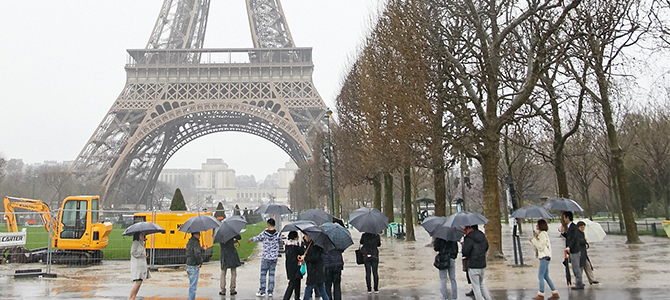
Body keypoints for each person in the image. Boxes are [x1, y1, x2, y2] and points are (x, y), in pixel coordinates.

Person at [248, 218, 282, 297]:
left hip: (266, 257)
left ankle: (262, 291)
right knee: (272, 275)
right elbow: (280, 241)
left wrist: (251, 239)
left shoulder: (265, 233)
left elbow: (258, 238)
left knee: (263, 274)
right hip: (274, 257)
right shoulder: (278, 234)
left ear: (268, 225)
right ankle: (270, 291)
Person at [529, 219, 559, 300]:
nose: (536, 226)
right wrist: (535, 238)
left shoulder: (542, 234)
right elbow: (537, 248)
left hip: (544, 257)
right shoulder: (542, 234)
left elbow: (540, 247)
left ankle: (541, 294)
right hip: (546, 256)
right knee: (546, 276)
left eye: (537, 224)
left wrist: (534, 240)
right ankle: (554, 292)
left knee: (540, 276)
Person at [462, 224, 491, 300]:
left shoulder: (469, 238)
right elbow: (486, 247)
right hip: (482, 263)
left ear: (469, 227)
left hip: (473, 264)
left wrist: (463, 244)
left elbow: (465, 251)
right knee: (481, 284)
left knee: (476, 287)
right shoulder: (482, 236)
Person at [299, 233, 330, 300]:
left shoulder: (316, 246)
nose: (304, 237)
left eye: (305, 236)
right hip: (317, 271)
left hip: (315, 271)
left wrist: (305, 258)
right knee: (321, 289)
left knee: (308, 288)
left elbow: (314, 258)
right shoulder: (310, 245)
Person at [561, 211, 584, 290]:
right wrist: (563, 233)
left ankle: (579, 283)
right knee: (574, 267)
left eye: (564, 217)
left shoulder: (574, 227)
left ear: (567, 218)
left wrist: (569, 247)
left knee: (576, 267)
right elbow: (569, 237)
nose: (564, 219)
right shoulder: (570, 227)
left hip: (575, 250)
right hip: (572, 250)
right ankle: (578, 282)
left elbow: (574, 239)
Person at [283, 231, 304, 300]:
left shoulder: (287, 245)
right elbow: (302, 252)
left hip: (290, 266)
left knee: (297, 282)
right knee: (292, 283)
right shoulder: (295, 246)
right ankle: (286, 298)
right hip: (295, 266)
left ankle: (297, 297)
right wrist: (302, 245)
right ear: (295, 237)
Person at [577, 221, 599, 285]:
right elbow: (578, 242)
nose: (582, 229)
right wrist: (584, 241)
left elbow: (584, 242)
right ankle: (579, 281)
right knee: (580, 268)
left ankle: (591, 280)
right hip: (579, 254)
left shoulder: (582, 233)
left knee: (588, 267)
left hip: (584, 254)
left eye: (583, 227)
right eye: (581, 227)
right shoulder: (576, 234)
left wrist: (586, 244)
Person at [129, 232, 150, 300]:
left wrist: (145, 254)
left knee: (140, 282)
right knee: (138, 282)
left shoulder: (142, 243)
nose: (143, 236)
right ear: (138, 236)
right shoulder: (136, 243)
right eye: (141, 235)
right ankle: (131, 297)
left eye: (143, 235)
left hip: (141, 265)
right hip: (137, 266)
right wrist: (141, 255)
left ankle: (133, 297)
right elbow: (133, 252)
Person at [186, 232, 204, 300]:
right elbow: (197, 253)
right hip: (193, 265)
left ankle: (190, 298)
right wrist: (200, 262)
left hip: (188, 265)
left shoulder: (189, 242)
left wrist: (200, 248)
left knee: (191, 285)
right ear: (195, 235)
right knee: (193, 287)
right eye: (198, 234)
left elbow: (189, 252)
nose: (200, 235)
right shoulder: (196, 242)